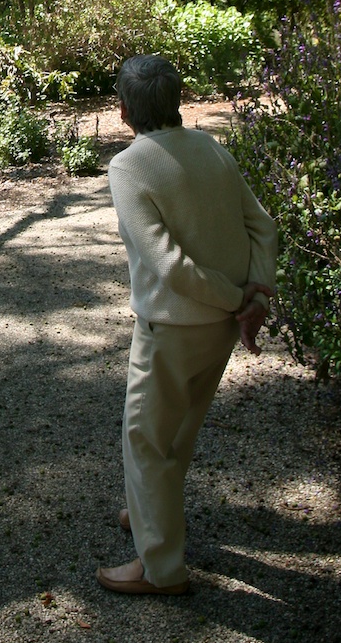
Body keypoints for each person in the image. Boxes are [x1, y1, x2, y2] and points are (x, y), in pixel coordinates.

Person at [97, 54, 277, 596]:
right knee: (179, 429)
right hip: (219, 329)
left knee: (148, 438)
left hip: (171, 330)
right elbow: (262, 226)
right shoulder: (210, 147)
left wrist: (234, 299)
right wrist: (253, 297)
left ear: (124, 110)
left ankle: (161, 569)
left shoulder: (129, 166)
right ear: (178, 99)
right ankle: (149, 513)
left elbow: (167, 264)